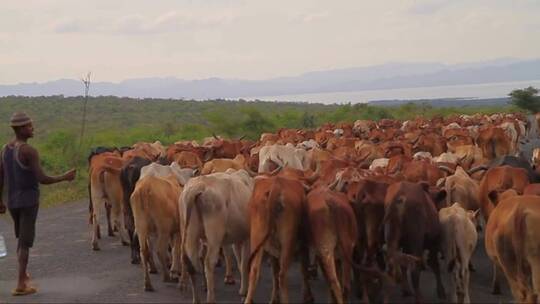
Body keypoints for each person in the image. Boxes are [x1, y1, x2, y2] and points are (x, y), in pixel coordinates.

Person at [0, 112, 76, 296]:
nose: (33, 128)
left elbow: (0, 177)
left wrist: (0, 200)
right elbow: (42, 179)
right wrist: (65, 177)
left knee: (21, 239)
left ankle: (23, 275)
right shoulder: (28, 151)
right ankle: (20, 284)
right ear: (21, 129)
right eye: (29, 126)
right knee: (25, 242)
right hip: (28, 202)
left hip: (12, 202)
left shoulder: (5, 149)